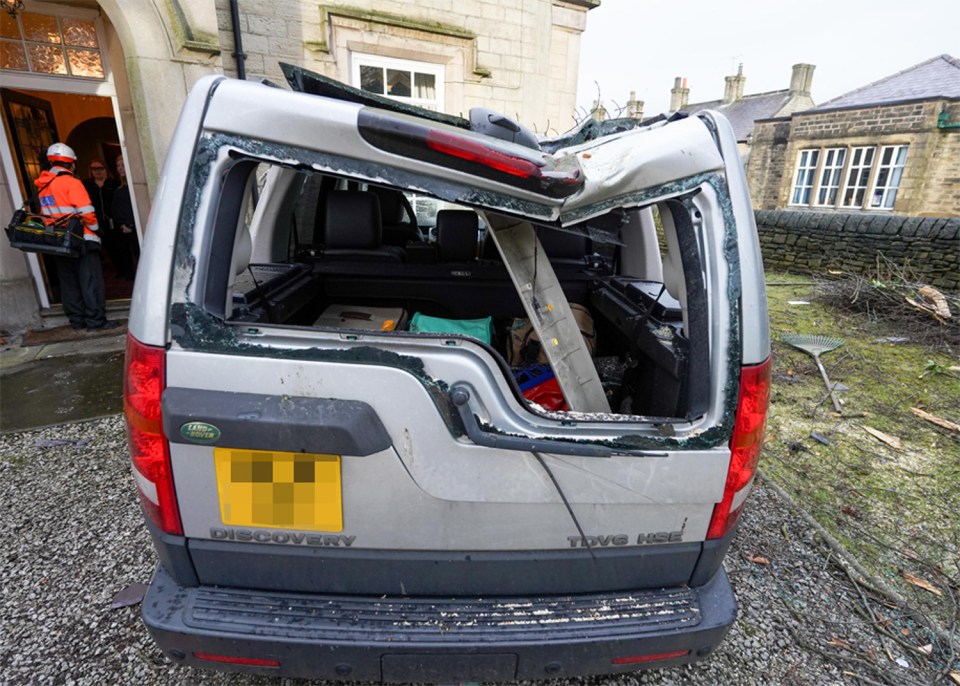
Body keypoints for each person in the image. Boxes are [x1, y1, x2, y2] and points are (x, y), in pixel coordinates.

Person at [36, 143, 119, 331]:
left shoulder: (43, 184)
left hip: (57, 240)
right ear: (71, 163)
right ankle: (96, 321)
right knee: (90, 280)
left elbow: (45, 215)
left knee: (69, 282)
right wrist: (96, 229)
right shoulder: (71, 182)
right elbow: (87, 212)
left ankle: (77, 321)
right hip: (82, 239)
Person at [82, 158, 127, 279]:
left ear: (105, 169)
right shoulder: (86, 185)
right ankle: (119, 270)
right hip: (97, 222)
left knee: (122, 247)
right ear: (90, 171)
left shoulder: (114, 183)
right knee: (109, 248)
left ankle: (128, 271)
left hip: (115, 221)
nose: (98, 171)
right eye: (94, 169)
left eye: (100, 168)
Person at [111, 155, 140, 277]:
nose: (120, 168)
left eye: (123, 165)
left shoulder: (135, 187)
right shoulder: (120, 188)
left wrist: (131, 224)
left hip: (136, 227)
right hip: (126, 229)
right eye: (118, 166)